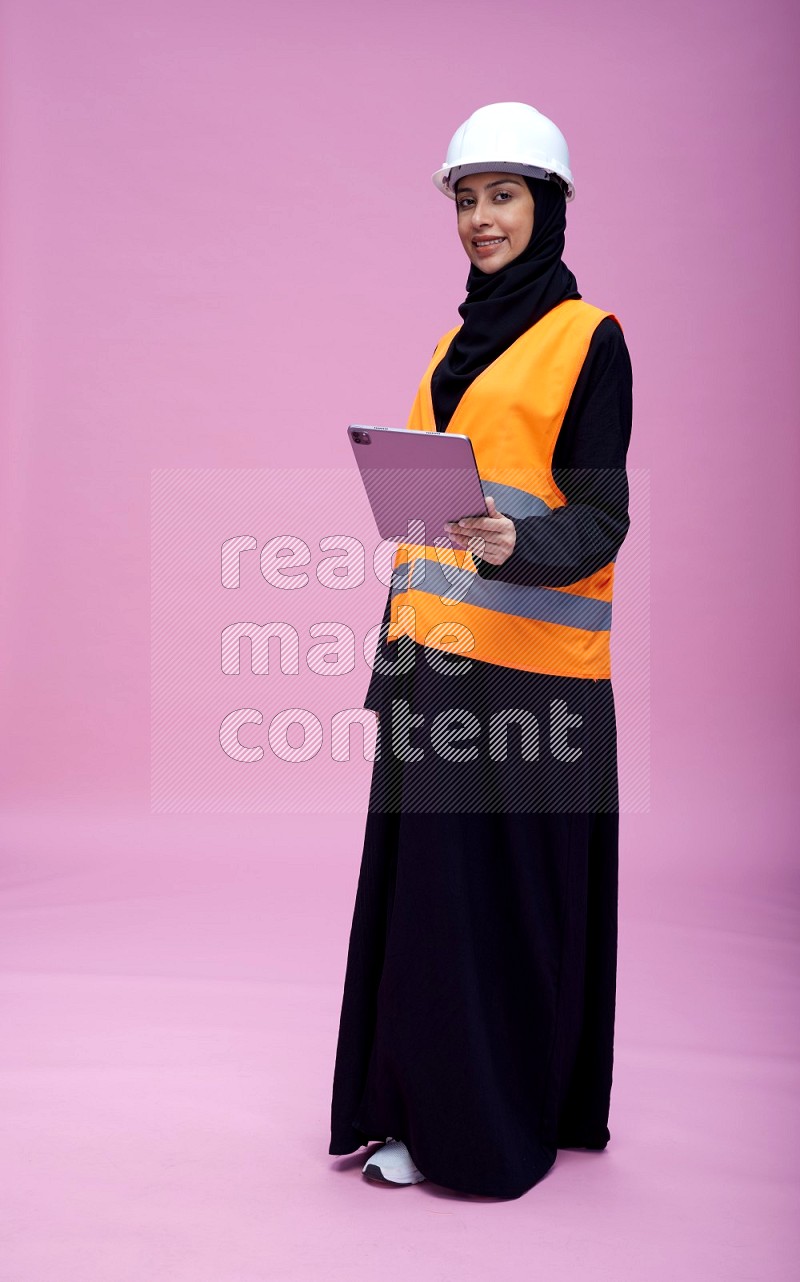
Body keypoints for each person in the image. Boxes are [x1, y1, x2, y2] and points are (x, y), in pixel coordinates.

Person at [328, 101, 633, 1199]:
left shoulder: (587, 338)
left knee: (488, 917)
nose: (479, 219)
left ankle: (485, 1134)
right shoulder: (452, 345)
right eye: (464, 199)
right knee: (424, 911)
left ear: (544, 206)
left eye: (500, 195)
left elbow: (599, 520)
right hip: (433, 670)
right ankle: (414, 1109)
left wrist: (521, 541)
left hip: (532, 686)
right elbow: (428, 529)